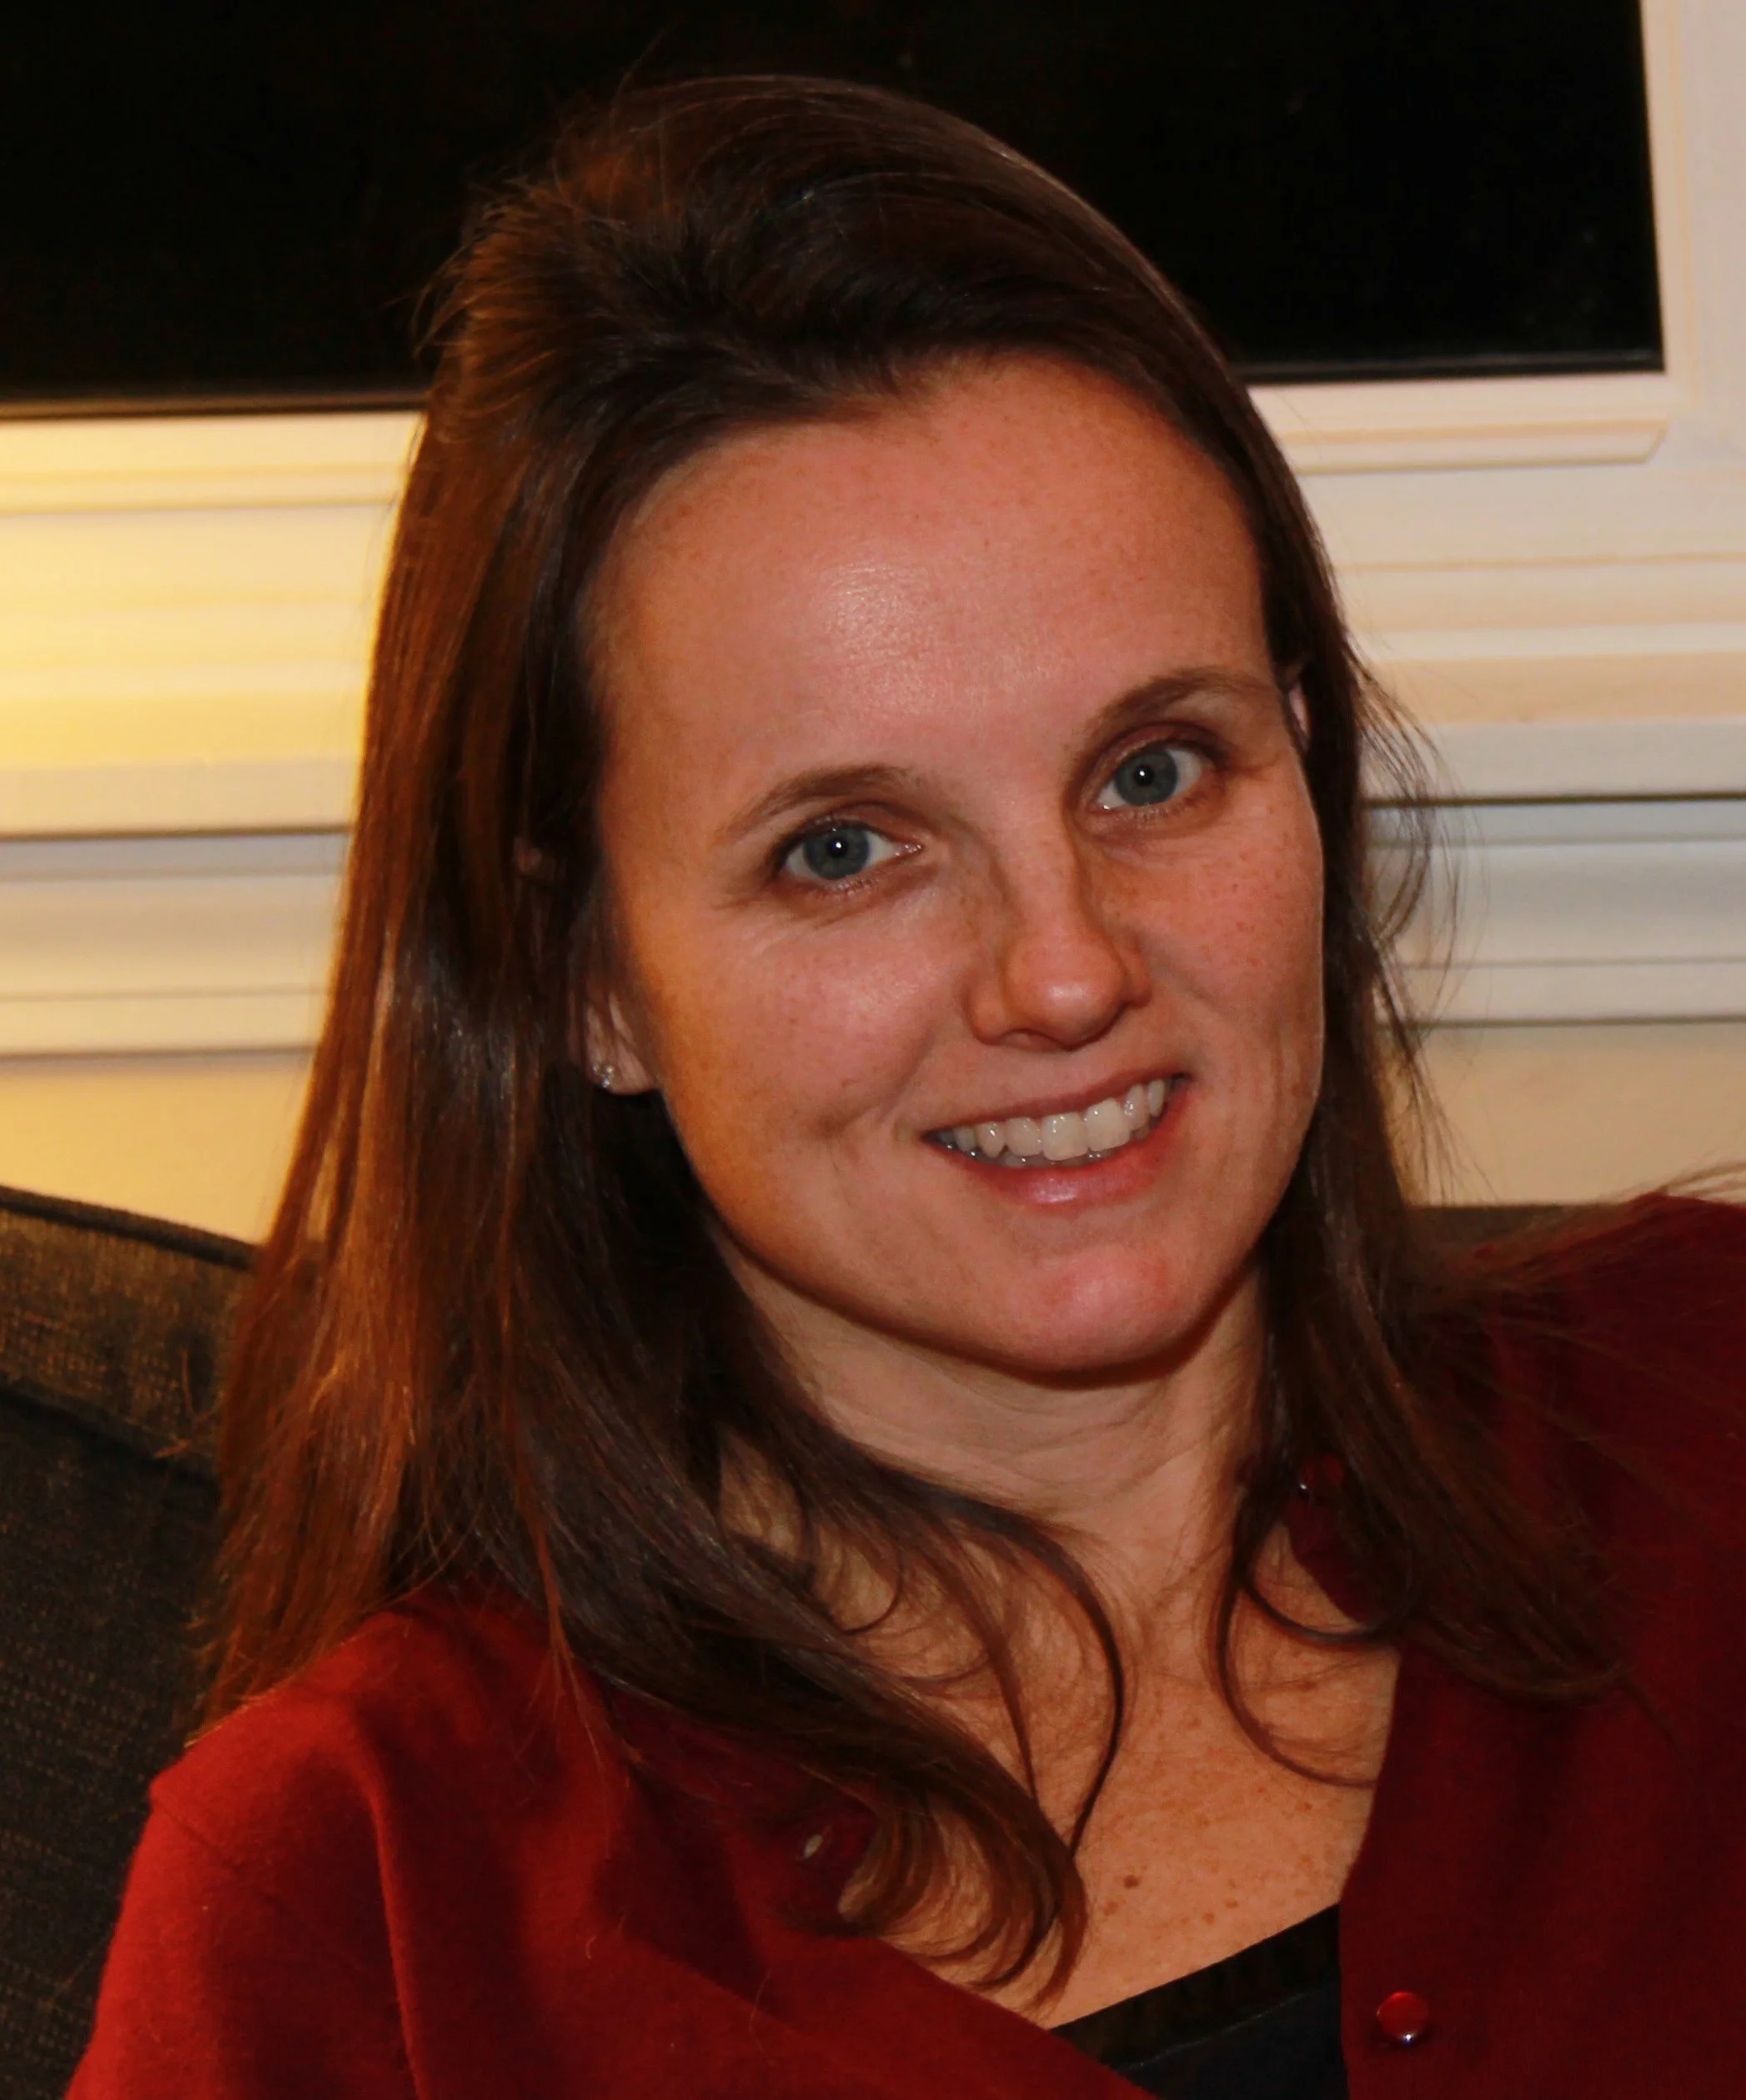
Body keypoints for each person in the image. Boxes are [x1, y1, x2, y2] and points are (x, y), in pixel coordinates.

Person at [70, 75, 1746, 2100]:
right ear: (585, 970)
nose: (1066, 969)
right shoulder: (359, 1894)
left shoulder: (1708, 1408)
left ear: (1303, 763)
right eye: (846, 847)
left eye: (1153, 769)